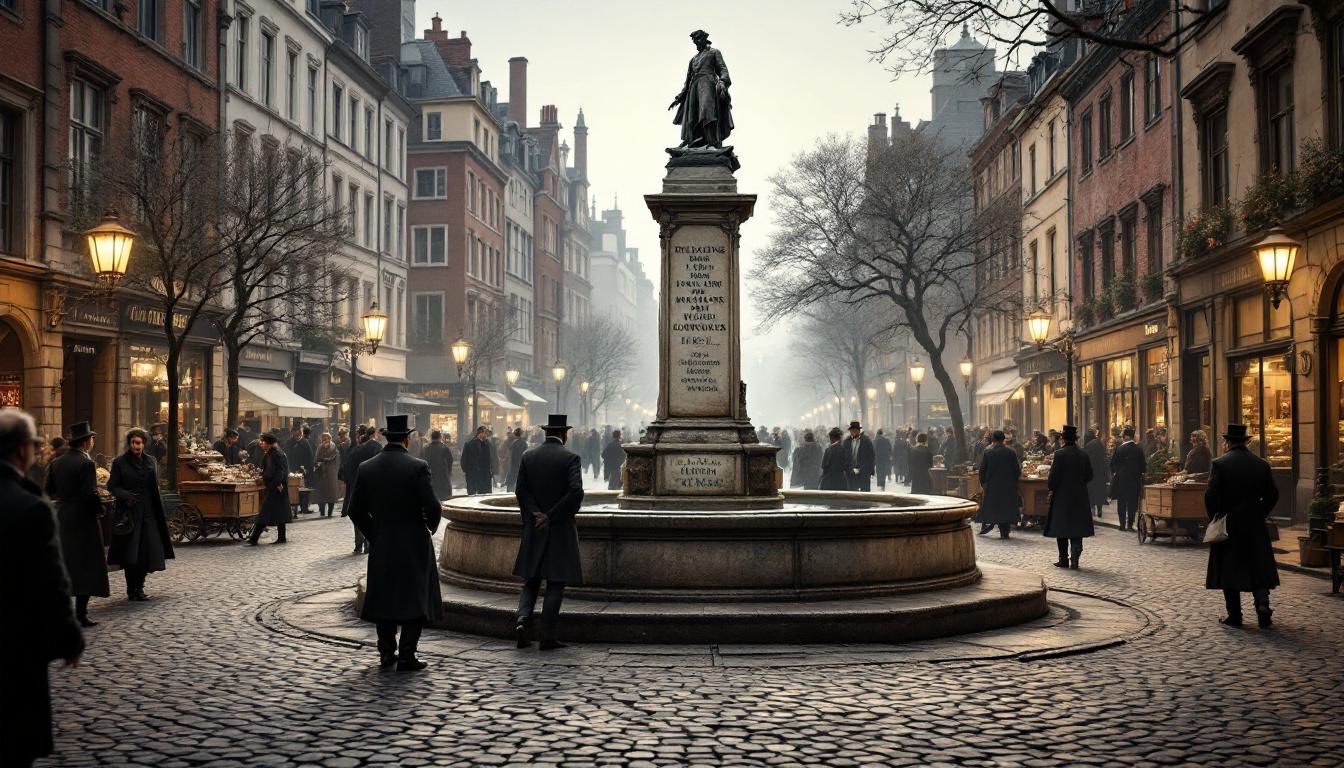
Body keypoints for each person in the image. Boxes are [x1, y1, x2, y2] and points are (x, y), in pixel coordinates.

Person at [0, 408, 85, 768]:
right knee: (15, 741)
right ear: (21, 450)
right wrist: (69, 638)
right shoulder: (30, 507)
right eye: (35, 446)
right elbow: (50, 581)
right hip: (14, 643)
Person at [346, 415, 443, 670]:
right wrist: (428, 528)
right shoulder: (417, 466)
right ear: (407, 439)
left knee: (384, 596)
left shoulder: (367, 467)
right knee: (415, 595)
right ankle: (407, 654)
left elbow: (354, 510)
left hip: (383, 542)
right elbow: (433, 506)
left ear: (386, 437)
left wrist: (374, 534)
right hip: (413, 542)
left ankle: (386, 652)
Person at [512, 414, 585, 651]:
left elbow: (520, 490)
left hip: (534, 528)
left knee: (531, 580)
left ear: (546, 433)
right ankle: (547, 635)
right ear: (565, 434)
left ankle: (522, 620)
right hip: (559, 530)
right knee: (555, 583)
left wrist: (536, 513)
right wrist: (550, 516)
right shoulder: (570, 458)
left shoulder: (528, 456)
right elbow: (575, 492)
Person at [1205, 424, 1280, 628]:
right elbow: (1273, 495)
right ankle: (1262, 605)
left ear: (1228, 442)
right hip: (1255, 524)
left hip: (1229, 523)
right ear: (1246, 442)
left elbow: (1211, 496)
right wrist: (1260, 512)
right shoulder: (1261, 464)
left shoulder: (1220, 464)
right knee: (1258, 565)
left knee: (1229, 568)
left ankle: (1235, 615)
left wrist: (1215, 517)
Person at [44, 422, 109, 627]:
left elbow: (48, 490)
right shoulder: (86, 463)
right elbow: (90, 492)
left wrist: (64, 499)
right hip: (83, 517)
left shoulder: (56, 462)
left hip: (63, 516)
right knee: (87, 563)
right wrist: (100, 508)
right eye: (92, 438)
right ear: (85, 441)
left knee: (66, 561)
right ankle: (81, 613)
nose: (93, 441)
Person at [106, 428, 175, 599]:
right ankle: (131, 589)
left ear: (144, 444)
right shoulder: (120, 462)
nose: (136, 446)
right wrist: (126, 496)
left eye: (139, 443)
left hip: (149, 512)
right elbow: (112, 486)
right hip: (129, 513)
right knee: (131, 554)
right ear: (129, 444)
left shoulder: (151, 461)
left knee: (146, 552)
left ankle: (140, 587)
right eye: (133, 443)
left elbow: (154, 486)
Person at [1044, 425, 1094, 569]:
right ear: (1075, 439)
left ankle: (1063, 559)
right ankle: (1076, 555)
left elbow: (1053, 478)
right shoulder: (1083, 455)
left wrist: (1052, 488)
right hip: (1079, 496)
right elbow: (1089, 475)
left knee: (1062, 528)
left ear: (1063, 439)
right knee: (1077, 526)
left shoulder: (1059, 454)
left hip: (1062, 496)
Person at [342, 427, 382, 554]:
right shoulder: (376, 448)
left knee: (358, 514)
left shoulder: (355, 451)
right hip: (372, 487)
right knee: (370, 514)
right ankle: (368, 543)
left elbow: (347, 469)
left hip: (356, 486)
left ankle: (358, 543)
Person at [976, 430, 1021, 538]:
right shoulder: (1011, 452)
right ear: (1003, 439)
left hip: (992, 486)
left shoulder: (988, 452)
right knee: (1006, 508)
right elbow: (1017, 470)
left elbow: (982, 471)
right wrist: (1014, 482)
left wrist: (984, 484)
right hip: (1008, 486)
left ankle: (989, 524)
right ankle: (1004, 532)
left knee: (993, 508)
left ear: (993, 439)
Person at [247, 434, 290, 545]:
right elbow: (268, 470)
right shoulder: (271, 453)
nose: (261, 444)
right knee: (278, 513)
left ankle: (254, 539)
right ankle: (281, 537)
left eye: (263, 442)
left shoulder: (277, 454)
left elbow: (280, 471)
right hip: (274, 486)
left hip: (276, 487)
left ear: (269, 443)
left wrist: (277, 483)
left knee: (265, 513)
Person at [1110, 426, 1146, 531]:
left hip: (1121, 480)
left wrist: (1117, 472)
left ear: (1126, 437)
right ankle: (1130, 524)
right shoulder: (1139, 449)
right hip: (1134, 481)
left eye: (1123, 436)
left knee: (1121, 502)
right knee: (1132, 503)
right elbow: (1143, 467)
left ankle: (1122, 525)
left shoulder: (1119, 449)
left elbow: (1112, 464)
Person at [311, 432, 341, 517]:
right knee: (321, 492)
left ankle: (330, 511)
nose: (324, 441)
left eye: (325, 439)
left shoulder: (334, 447)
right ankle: (322, 511)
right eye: (322, 439)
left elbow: (335, 459)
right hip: (321, 472)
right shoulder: (320, 447)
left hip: (331, 472)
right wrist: (319, 462)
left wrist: (325, 460)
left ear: (330, 439)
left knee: (331, 493)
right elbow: (317, 458)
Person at [286, 426, 314, 513]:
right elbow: (287, 455)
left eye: (297, 433)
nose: (295, 435)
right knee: (293, 489)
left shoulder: (305, 442)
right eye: (294, 433)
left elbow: (309, 456)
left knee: (304, 489)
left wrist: (307, 468)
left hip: (303, 469)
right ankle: (294, 508)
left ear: (300, 433)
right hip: (292, 469)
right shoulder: (289, 442)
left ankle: (304, 507)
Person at [1083, 428, 1109, 519]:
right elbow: (1104, 459)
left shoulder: (1088, 445)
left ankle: (1092, 510)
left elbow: (1085, 460)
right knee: (1099, 492)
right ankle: (1100, 509)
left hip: (1091, 473)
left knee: (1091, 492)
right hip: (1100, 473)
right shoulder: (1100, 444)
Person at [843, 421, 876, 492]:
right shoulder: (846, 442)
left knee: (865, 493)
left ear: (859, 430)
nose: (853, 431)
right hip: (851, 472)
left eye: (855, 429)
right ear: (850, 431)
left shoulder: (866, 441)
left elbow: (871, 456)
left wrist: (870, 470)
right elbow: (844, 458)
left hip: (864, 471)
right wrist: (849, 469)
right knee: (852, 493)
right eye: (852, 430)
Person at [461, 426, 493, 495]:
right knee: (473, 495)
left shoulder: (488, 444)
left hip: (485, 475)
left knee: (485, 495)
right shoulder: (470, 444)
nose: (487, 435)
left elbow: (492, 458)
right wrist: (467, 471)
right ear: (480, 433)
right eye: (485, 433)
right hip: (473, 474)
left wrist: (493, 469)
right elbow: (464, 459)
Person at [424, 430, 454, 501]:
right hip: (443, 476)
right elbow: (450, 460)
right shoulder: (445, 448)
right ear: (440, 437)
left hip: (430, 476)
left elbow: (423, 460)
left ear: (431, 437)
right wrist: (449, 471)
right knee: (445, 499)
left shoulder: (426, 448)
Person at [507, 428, 528, 492]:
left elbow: (512, 455)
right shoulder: (524, 443)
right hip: (520, 464)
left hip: (514, 464)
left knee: (512, 481)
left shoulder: (515, 443)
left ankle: (511, 492)